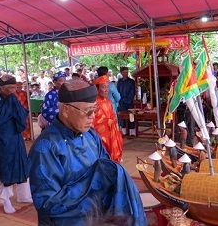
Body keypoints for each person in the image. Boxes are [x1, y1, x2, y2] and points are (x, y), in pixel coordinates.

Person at [28, 79, 146, 226]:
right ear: (65, 110)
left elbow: (106, 171)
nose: (93, 116)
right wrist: (93, 187)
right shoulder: (46, 148)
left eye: (95, 109)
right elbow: (46, 204)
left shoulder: (90, 134)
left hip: (100, 218)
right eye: (87, 111)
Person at [0, 74, 32, 214]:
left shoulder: (13, 99)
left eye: (15, 87)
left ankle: (24, 196)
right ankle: (5, 200)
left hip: (16, 139)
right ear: (1, 88)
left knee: (22, 166)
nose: (13, 90)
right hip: (3, 141)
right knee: (4, 170)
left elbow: (23, 114)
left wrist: (13, 104)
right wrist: (9, 104)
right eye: (10, 88)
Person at [92, 75, 123, 162]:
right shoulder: (93, 103)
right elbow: (92, 122)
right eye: (103, 87)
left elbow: (113, 115)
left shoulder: (108, 101)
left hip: (112, 133)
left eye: (107, 87)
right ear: (97, 89)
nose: (107, 90)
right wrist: (107, 122)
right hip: (101, 135)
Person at [117, 66, 136, 136]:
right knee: (123, 117)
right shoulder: (119, 82)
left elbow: (132, 92)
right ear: (121, 73)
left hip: (129, 101)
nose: (126, 73)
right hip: (121, 102)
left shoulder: (131, 81)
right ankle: (124, 131)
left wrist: (127, 99)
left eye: (127, 72)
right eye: (124, 72)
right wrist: (121, 99)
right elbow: (117, 92)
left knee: (131, 116)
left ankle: (132, 132)